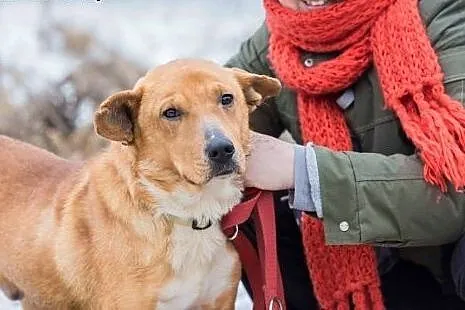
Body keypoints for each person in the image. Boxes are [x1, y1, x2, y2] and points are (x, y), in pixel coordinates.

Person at [225, 0, 465, 309]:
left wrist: (305, 171)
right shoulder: (280, 38)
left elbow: (458, 184)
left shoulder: (442, 11)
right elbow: (202, 115)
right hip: (382, 272)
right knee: (227, 199)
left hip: (448, 258)